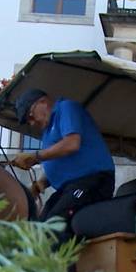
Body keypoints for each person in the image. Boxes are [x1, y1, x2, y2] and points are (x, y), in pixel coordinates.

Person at [11, 88, 115, 245]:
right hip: (70, 187)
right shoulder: (47, 133)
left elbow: (72, 144)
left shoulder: (66, 108)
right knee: (40, 227)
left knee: (55, 227)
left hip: (94, 181)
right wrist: (41, 183)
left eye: (30, 116)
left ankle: (64, 269)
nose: (32, 123)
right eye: (28, 121)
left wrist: (36, 156)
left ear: (43, 102)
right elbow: (59, 161)